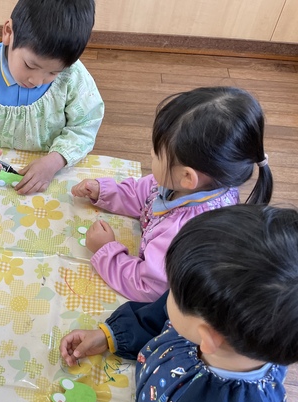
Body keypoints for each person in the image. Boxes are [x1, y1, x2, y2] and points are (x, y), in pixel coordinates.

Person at [54, 204, 297, 402]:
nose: (166, 294)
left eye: (173, 293)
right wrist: (110, 335)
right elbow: (161, 316)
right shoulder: (239, 334)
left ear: (207, 337)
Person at [72, 86, 273, 302]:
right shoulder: (200, 180)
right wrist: (105, 191)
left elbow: (149, 286)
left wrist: (106, 250)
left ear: (187, 176)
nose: (151, 153)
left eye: (157, 155)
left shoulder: (184, 234)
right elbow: (143, 193)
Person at [0, 0, 103, 195]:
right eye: (30, 66)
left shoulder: (73, 75)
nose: (37, 81)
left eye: (53, 73)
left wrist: (55, 160)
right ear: (8, 32)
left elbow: (85, 126)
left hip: (47, 172)